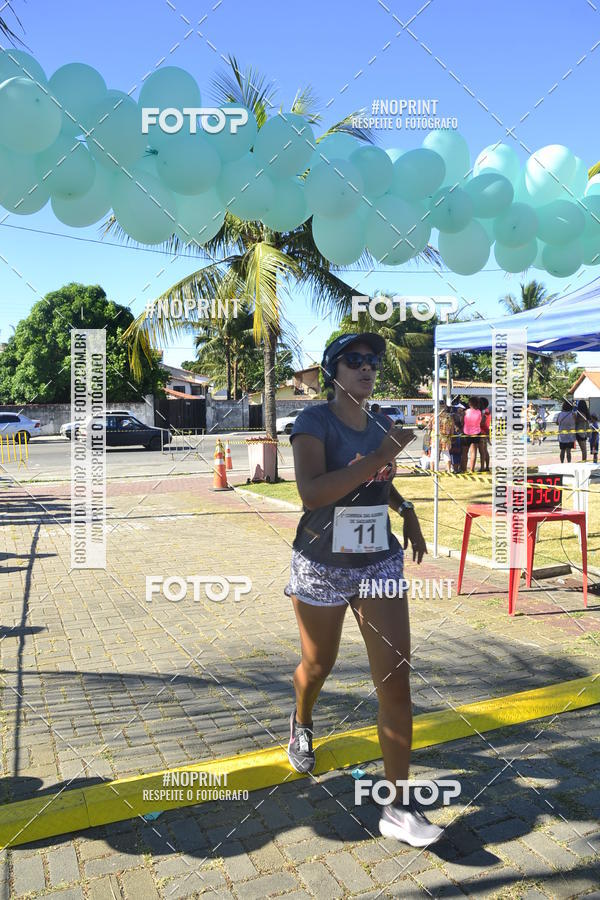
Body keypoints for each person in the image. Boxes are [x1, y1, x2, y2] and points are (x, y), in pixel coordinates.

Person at [284, 332, 442, 846]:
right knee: (317, 665)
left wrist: (408, 510)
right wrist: (380, 454)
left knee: (395, 682)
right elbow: (312, 493)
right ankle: (301, 720)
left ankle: (398, 807)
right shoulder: (314, 422)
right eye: (354, 360)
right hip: (322, 564)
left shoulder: (381, 423)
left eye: (372, 360)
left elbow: (379, 481)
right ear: (333, 370)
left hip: (378, 562)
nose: (366, 367)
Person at [463, 397, 482, 473]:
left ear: (470, 404)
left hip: (466, 432)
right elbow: (480, 421)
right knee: (473, 452)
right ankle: (472, 469)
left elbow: (462, 421)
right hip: (476, 432)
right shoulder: (479, 412)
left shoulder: (466, 412)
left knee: (465, 452)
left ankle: (463, 468)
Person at [478, 397, 491, 472]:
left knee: (482, 451)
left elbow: (482, 422)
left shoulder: (484, 412)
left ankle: (483, 467)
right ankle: (486, 466)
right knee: (485, 450)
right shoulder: (487, 411)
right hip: (485, 431)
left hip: (482, 432)